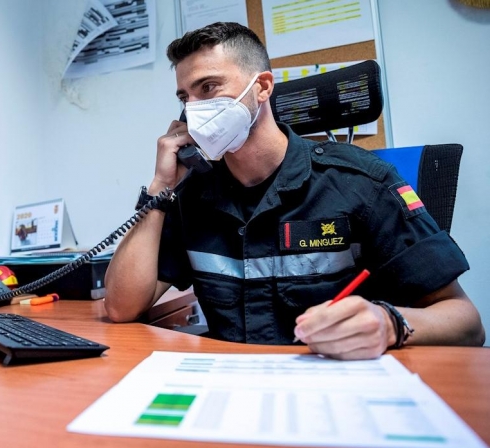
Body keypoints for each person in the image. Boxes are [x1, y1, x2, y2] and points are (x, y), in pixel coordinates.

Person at [103, 22, 485, 360]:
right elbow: (121, 307)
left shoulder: (363, 183)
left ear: (263, 87)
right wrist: (160, 188)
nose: (195, 109)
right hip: (231, 389)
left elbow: (466, 323)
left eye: (209, 87)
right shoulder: (192, 194)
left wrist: (389, 324)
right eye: (186, 98)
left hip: (337, 388)